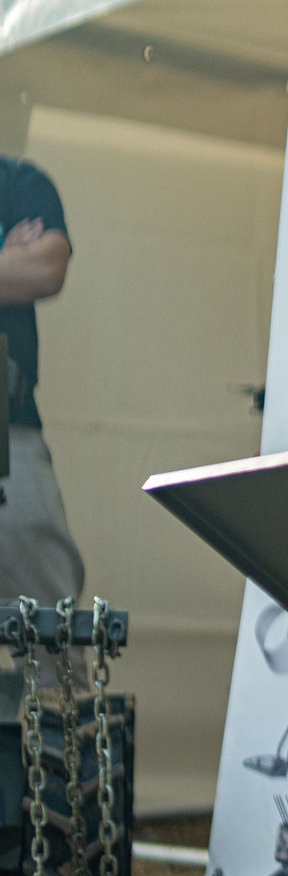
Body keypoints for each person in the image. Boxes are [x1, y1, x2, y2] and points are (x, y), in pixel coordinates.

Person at [0, 156, 83, 608]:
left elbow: (46, 269)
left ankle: (55, 683)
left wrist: (21, 264)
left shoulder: (19, 182)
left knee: (52, 625)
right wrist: (6, 258)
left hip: (11, 435)